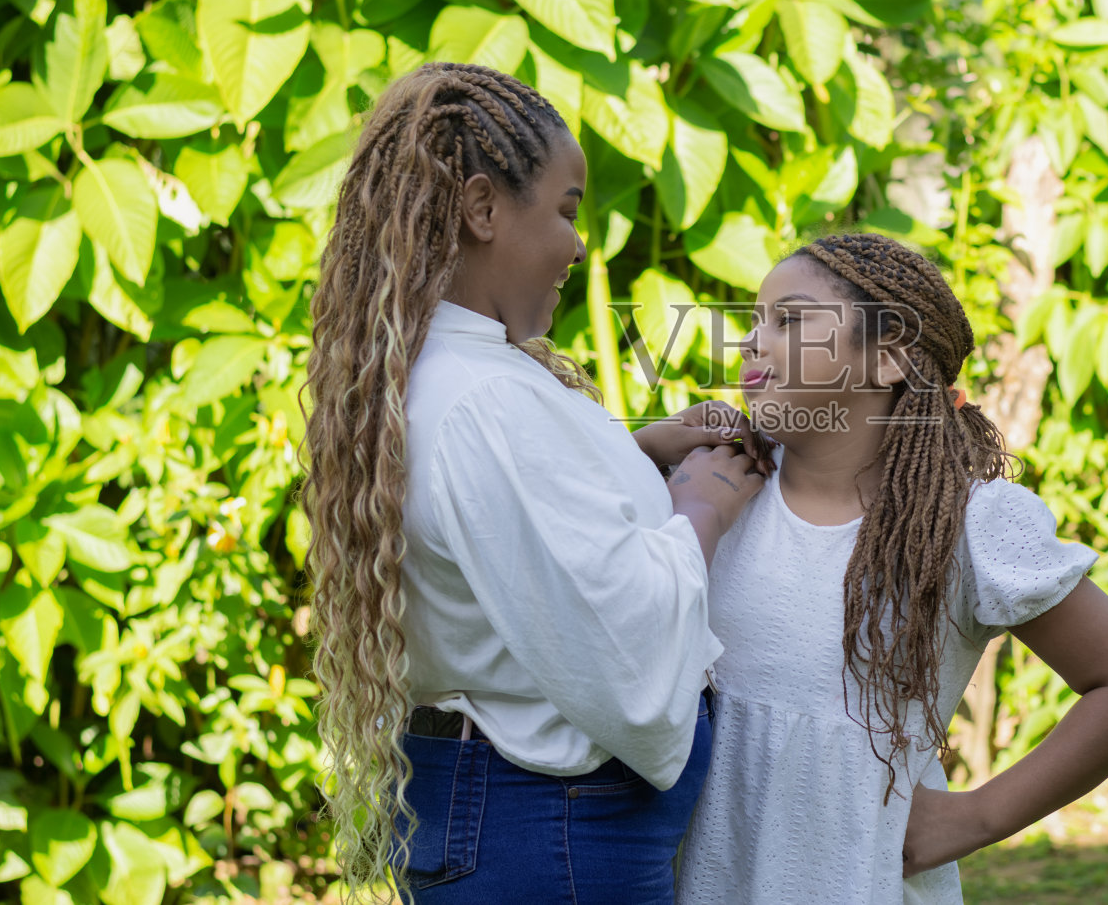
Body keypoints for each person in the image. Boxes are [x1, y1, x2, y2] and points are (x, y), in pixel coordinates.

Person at [302, 62, 766, 904]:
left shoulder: (448, 374)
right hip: (552, 839)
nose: (578, 243)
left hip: (517, 824)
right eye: (565, 210)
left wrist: (638, 453)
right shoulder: (485, 400)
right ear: (483, 209)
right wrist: (701, 507)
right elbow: (623, 650)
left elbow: (521, 530)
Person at [675, 232, 1108, 903]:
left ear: (887, 358)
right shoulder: (714, 484)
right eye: (753, 322)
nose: (751, 345)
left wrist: (977, 815)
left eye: (788, 321)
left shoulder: (969, 523)